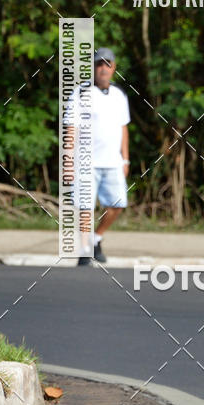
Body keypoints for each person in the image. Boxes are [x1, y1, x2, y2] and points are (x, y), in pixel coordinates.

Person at [72, 47, 131, 265]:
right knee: (85, 207)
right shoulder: (81, 93)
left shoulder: (119, 94)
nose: (103, 68)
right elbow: (72, 128)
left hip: (113, 162)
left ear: (114, 67)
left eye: (107, 64)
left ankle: (96, 238)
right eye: (98, 64)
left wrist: (125, 158)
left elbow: (123, 127)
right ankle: (85, 248)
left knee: (118, 204)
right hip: (86, 162)